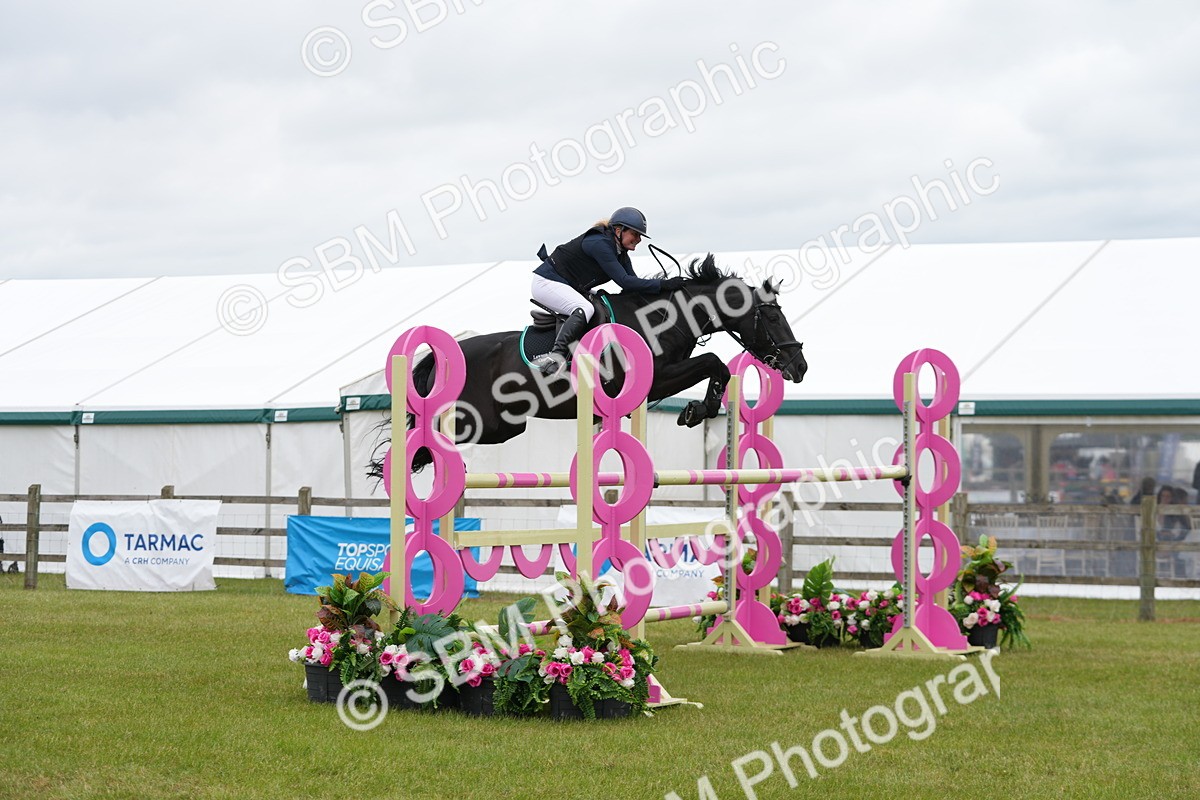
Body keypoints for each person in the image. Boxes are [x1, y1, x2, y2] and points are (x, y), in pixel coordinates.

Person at [529, 207, 686, 376]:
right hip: (547, 282)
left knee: (603, 302)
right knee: (585, 308)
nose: (639, 239)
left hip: (568, 284)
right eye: (635, 234)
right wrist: (662, 284)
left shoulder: (621, 253)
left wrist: (663, 293)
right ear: (619, 230)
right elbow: (625, 281)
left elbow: (630, 286)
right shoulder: (599, 244)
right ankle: (555, 357)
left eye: (640, 235)